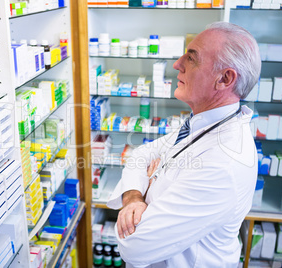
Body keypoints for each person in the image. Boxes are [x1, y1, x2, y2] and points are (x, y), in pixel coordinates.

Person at [107, 21, 261, 268]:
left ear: (224, 78)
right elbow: (141, 154)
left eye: (191, 58)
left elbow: (133, 246)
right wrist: (135, 198)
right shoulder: (202, 123)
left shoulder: (223, 162)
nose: (177, 64)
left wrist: (150, 184)